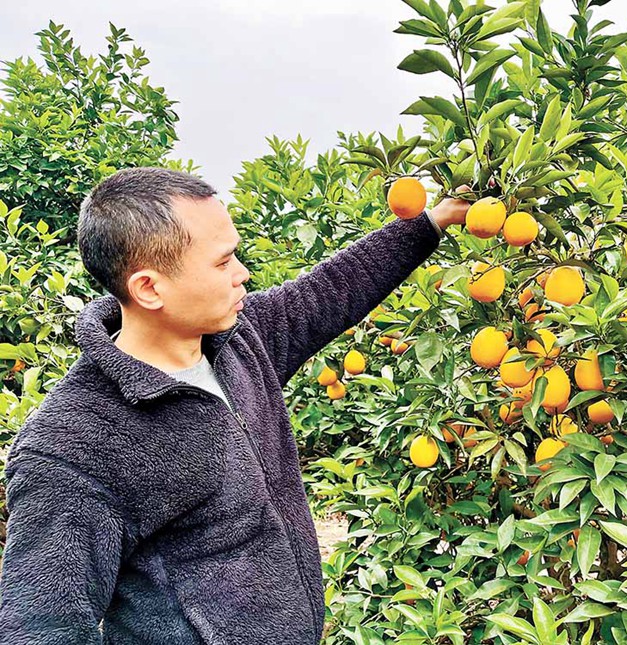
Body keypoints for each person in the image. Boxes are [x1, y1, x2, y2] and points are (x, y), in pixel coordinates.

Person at [0, 167, 470, 644]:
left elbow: (335, 288)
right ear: (149, 288)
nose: (241, 273)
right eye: (223, 262)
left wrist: (434, 219)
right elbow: (42, 627)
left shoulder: (238, 341)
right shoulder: (73, 445)